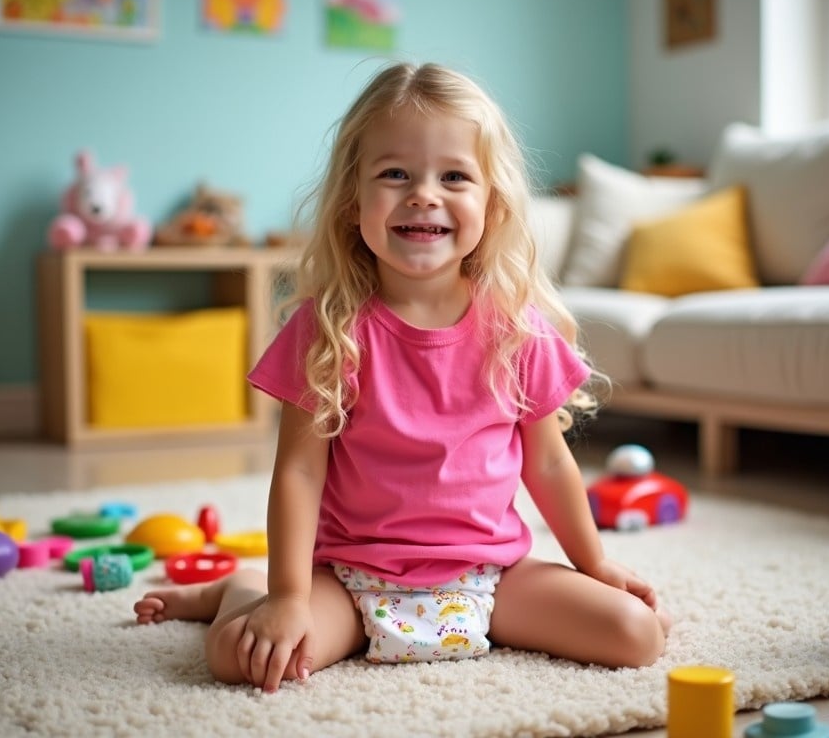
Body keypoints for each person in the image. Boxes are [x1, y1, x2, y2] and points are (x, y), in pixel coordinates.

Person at [134, 62, 671, 693]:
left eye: (454, 177)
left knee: (638, 634)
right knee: (240, 658)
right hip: (352, 574)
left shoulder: (517, 329)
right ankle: (240, 588)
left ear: (491, 205)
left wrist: (595, 563)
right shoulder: (327, 327)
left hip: (492, 576)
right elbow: (300, 471)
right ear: (352, 199)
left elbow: (548, 465)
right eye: (395, 174)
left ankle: (261, 593)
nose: (424, 194)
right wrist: (286, 595)